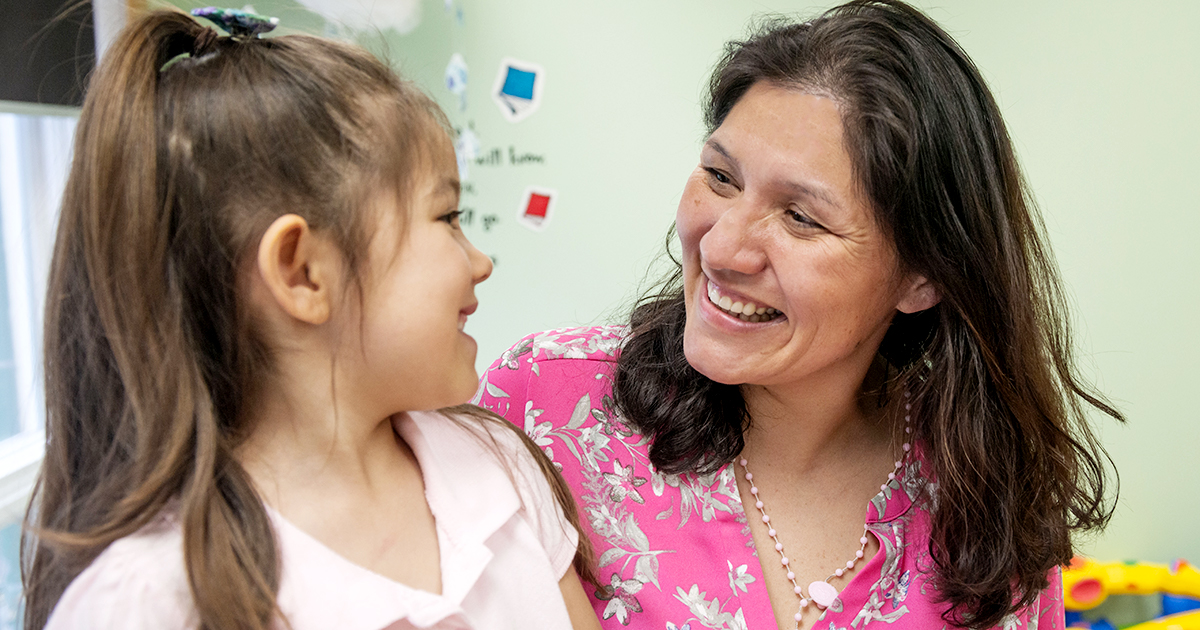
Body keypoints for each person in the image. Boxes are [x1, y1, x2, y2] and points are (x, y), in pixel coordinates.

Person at [474, 1, 1122, 628]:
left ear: (923, 277)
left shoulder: (986, 505)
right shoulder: (543, 405)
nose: (721, 247)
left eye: (801, 218)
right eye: (721, 178)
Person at [21, 8, 600, 630]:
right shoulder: (148, 603)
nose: (481, 262)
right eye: (447, 218)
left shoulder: (500, 464)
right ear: (302, 273)